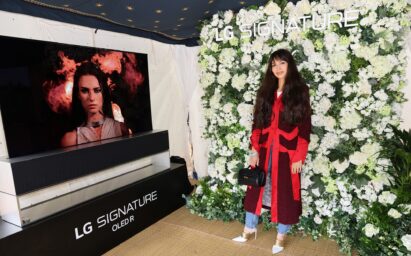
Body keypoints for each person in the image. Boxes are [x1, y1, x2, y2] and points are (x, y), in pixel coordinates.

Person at [233, 49, 311, 254]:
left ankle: (281, 236)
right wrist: (254, 150)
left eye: (282, 63)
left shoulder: (300, 91)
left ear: (290, 66)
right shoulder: (265, 91)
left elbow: (304, 127)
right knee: (255, 187)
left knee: (285, 194)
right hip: (265, 150)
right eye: (274, 64)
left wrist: (299, 156)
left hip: (287, 154)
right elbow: (257, 123)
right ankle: (249, 229)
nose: (277, 68)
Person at [61, 62, 129, 147]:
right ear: (78, 94)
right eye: (84, 91)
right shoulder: (70, 139)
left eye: (97, 90)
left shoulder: (121, 129)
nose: (91, 98)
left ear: (103, 92)